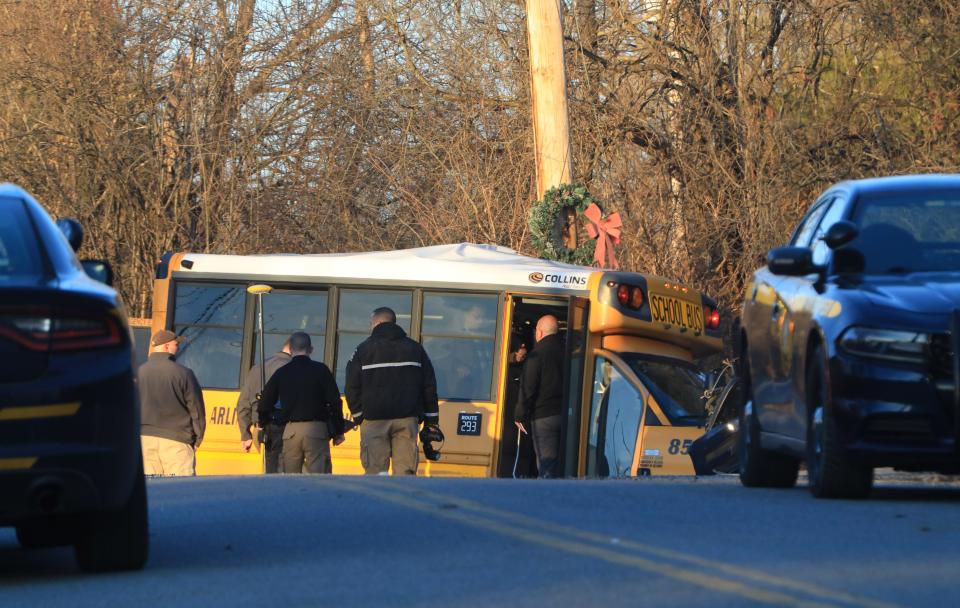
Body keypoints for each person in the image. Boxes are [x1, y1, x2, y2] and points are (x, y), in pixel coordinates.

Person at [345, 307, 440, 475]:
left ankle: (379, 500)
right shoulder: (415, 349)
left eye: (370, 323)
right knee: (405, 471)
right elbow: (429, 385)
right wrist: (431, 419)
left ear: (377, 323)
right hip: (407, 419)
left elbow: (352, 386)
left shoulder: (362, 349)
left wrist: (359, 415)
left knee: (375, 471)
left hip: (373, 419)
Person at [258, 332, 345, 474]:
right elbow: (335, 402)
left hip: (290, 431)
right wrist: (339, 431)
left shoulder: (282, 372)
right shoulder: (321, 370)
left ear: (291, 349)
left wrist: (264, 421)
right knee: (319, 477)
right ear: (311, 349)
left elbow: (264, 403)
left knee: (290, 478)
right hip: (317, 430)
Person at [138, 329, 206, 476]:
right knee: (180, 491)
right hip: (177, 442)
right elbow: (196, 409)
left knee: (151, 490)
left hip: (144, 441)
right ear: (166, 347)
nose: (178, 347)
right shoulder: (184, 374)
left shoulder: (139, 373)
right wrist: (198, 438)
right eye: (176, 344)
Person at [514, 315, 564, 478]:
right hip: (567, 415)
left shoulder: (537, 354)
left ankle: (546, 495)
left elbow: (528, 387)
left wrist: (520, 415)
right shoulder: (569, 351)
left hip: (543, 416)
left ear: (540, 332)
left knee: (546, 462)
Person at [236, 337, 293, 473]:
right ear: (293, 349)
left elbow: (243, 403)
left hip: (262, 428)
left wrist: (245, 434)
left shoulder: (258, 368)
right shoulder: (293, 368)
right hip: (287, 427)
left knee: (270, 469)